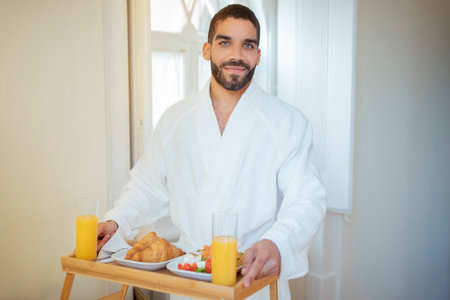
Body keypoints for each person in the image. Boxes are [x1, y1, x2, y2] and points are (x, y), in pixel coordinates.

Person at [96, 4, 326, 299]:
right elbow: (146, 186)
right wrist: (117, 221)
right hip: (188, 279)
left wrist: (277, 243)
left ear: (258, 55)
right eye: (225, 42)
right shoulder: (175, 119)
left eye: (248, 45)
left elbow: (307, 198)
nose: (237, 55)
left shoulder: (289, 123)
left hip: (251, 278)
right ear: (206, 50)